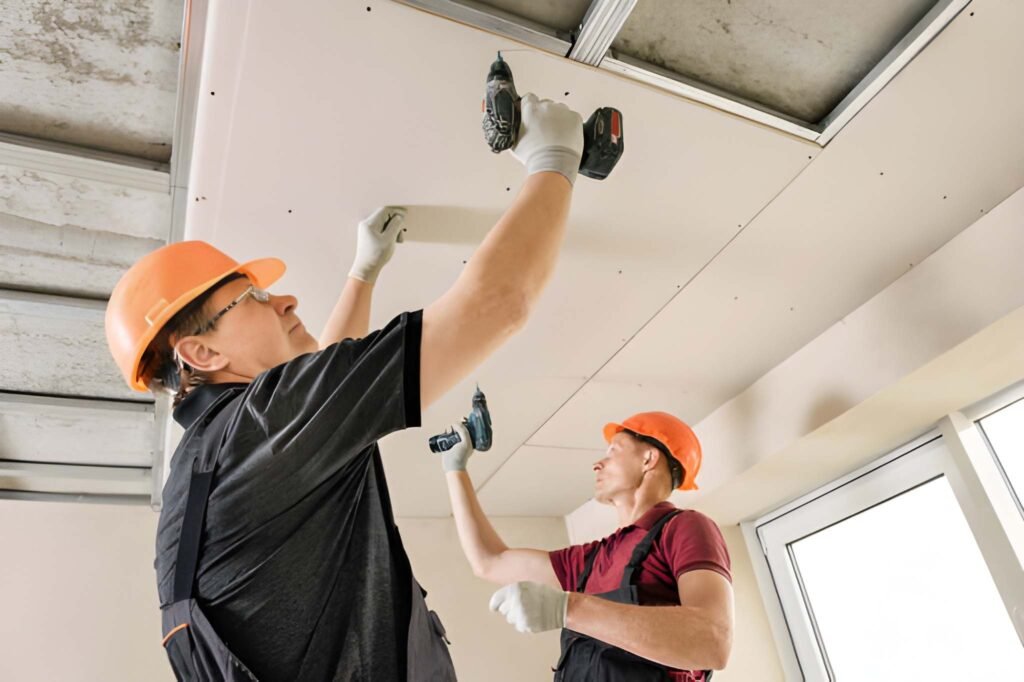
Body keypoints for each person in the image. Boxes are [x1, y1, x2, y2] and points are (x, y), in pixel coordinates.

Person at [103, 94, 585, 681]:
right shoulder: (264, 425)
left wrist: (364, 273)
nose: (284, 299)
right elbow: (496, 305)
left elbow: (323, 394)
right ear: (201, 353)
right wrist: (555, 159)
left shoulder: (205, 468)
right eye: (251, 297)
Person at [439, 411, 734, 681]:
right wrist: (456, 469)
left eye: (613, 451)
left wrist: (569, 607)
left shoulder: (683, 527)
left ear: (648, 459)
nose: (597, 464)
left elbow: (713, 640)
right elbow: (490, 561)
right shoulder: (591, 559)